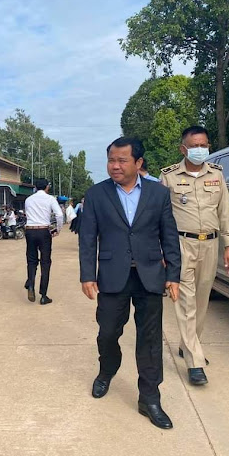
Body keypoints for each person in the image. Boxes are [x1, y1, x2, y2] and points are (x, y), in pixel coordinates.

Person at [79, 137, 181, 430]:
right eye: (111, 160)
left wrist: (173, 275)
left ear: (138, 163)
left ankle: (149, 398)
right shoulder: (96, 194)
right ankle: (107, 369)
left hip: (150, 275)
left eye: (122, 160)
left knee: (150, 339)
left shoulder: (158, 194)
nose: (115, 166)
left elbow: (169, 235)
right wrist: (87, 274)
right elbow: (88, 238)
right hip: (112, 275)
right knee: (108, 332)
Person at [160, 125, 229, 386]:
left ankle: (188, 344)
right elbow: (160, 217)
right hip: (181, 245)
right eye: (194, 146)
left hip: (210, 245)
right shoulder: (169, 177)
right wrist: (162, 250)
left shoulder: (216, 175)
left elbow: (225, 211)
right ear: (183, 149)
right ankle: (195, 361)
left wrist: (228, 244)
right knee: (185, 302)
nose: (200, 150)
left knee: (202, 302)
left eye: (204, 145)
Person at [23, 179, 63, 304]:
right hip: (43, 231)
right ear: (47, 187)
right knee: (45, 262)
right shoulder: (50, 199)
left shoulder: (28, 199)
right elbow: (59, 215)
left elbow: (27, 214)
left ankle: (30, 284)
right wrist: (58, 229)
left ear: (35, 187)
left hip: (30, 230)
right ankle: (43, 295)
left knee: (31, 260)